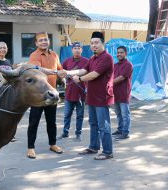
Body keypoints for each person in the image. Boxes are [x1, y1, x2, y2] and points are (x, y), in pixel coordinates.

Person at [58, 31, 114, 160]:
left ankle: (107, 151)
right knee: (93, 123)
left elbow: (94, 74)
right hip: (92, 97)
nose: (94, 45)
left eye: (96, 43)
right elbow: (83, 70)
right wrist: (68, 72)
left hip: (102, 98)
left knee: (103, 125)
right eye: (92, 43)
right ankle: (93, 147)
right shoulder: (93, 58)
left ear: (102, 44)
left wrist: (81, 79)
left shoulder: (107, 58)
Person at [27, 32, 63, 159]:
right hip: (38, 96)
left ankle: (53, 144)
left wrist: (65, 76)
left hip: (52, 94)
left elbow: (59, 70)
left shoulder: (54, 55)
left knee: (52, 122)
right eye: (41, 40)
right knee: (34, 122)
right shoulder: (34, 55)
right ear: (36, 43)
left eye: (46, 39)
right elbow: (38, 69)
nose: (44, 42)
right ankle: (30, 147)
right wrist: (55, 71)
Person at [57, 42, 88, 141]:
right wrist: (64, 81)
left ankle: (78, 133)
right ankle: (65, 133)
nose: (77, 50)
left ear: (82, 50)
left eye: (79, 48)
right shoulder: (66, 61)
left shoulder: (87, 62)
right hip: (69, 93)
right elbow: (61, 74)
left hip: (81, 93)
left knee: (80, 116)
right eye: (75, 48)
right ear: (72, 50)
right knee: (67, 115)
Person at [112, 46, 133, 140]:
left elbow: (121, 77)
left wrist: (109, 84)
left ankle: (125, 132)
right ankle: (120, 129)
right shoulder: (115, 65)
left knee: (125, 114)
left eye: (121, 52)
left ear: (125, 53)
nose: (119, 54)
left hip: (124, 93)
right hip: (115, 94)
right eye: (118, 53)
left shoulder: (128, 65)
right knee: (118, 113)